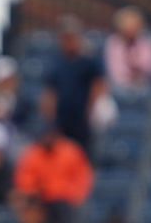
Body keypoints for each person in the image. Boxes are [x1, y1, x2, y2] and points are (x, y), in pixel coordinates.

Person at [13, 123, 94, 223]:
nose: (48, 138)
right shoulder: (34, 154)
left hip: (66, 201)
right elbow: (25, 180)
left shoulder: (70, 151)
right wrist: (35, 192)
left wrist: (75, 196)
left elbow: (83, 177)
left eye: (51, 135)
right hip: (42, 201)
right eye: (45, 136)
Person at [43, 16, 107, 150]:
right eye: (65, 38)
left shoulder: (88, 61)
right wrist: (51, 120)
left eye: (72, 37)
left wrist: (91, 111)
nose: (69, 42)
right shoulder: (56, 63)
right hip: (62, 122)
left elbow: (99, 84)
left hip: (83, 121)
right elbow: (50, 94)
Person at [103, 6, 151, 97]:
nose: (131, 30)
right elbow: (114, 72)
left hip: (143, 86)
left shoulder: (147, 41)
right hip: (120, 88)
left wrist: (138, 68)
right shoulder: (113, 43)